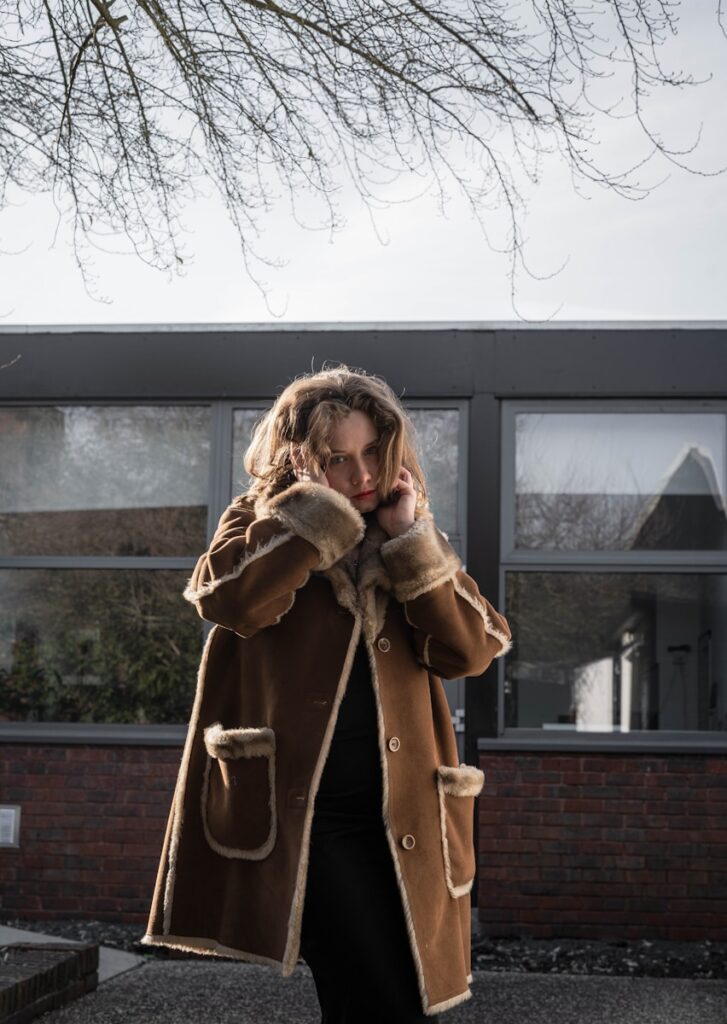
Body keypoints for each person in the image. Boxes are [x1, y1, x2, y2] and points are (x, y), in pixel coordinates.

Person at [142, 365, 512, 1021]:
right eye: (337, 459)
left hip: (403, 817)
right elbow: (227, 601)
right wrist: (313, 523)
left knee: (397, 998)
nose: (362, 474)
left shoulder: (410, 532)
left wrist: (410, 544)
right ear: (299, 458)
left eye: (372, 451)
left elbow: (471, 650)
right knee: (373, 994)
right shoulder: (262, 521)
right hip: (307, 816)